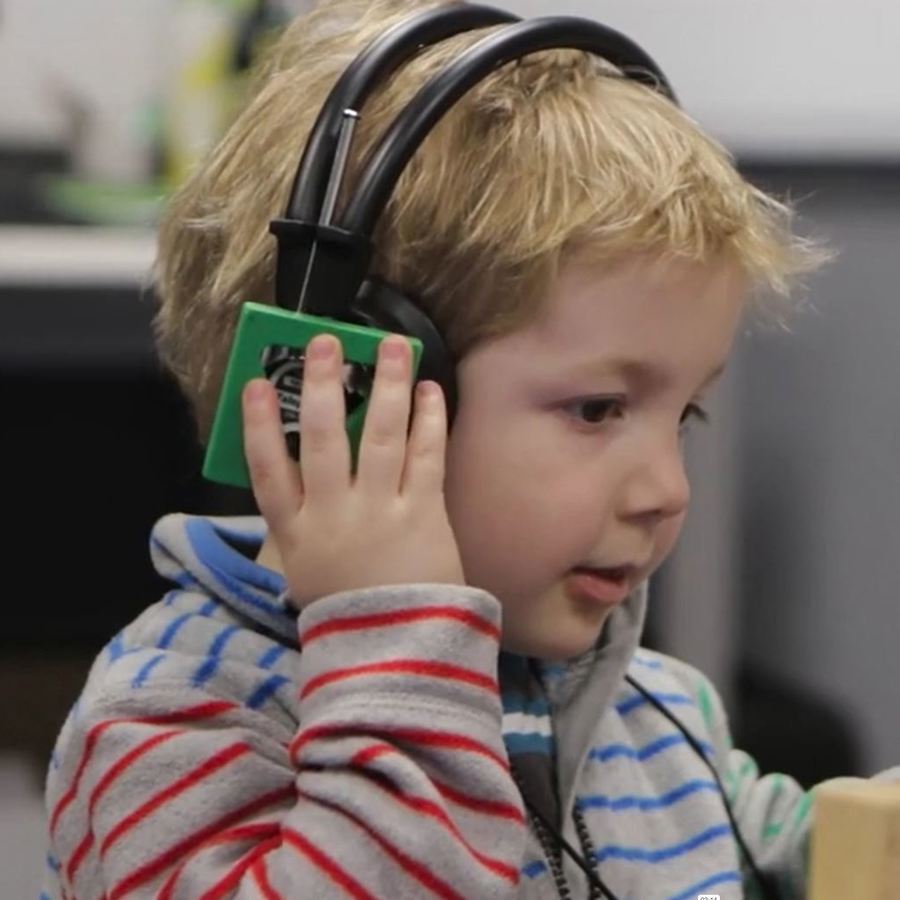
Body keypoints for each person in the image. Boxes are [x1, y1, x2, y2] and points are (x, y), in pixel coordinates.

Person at [42, 1, 898, 898]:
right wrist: (396, 652)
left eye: (684, 417)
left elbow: (822, 858)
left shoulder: (656, 715)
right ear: (357, 396)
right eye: (598, 408)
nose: (666, 490)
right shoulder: (180, 726)